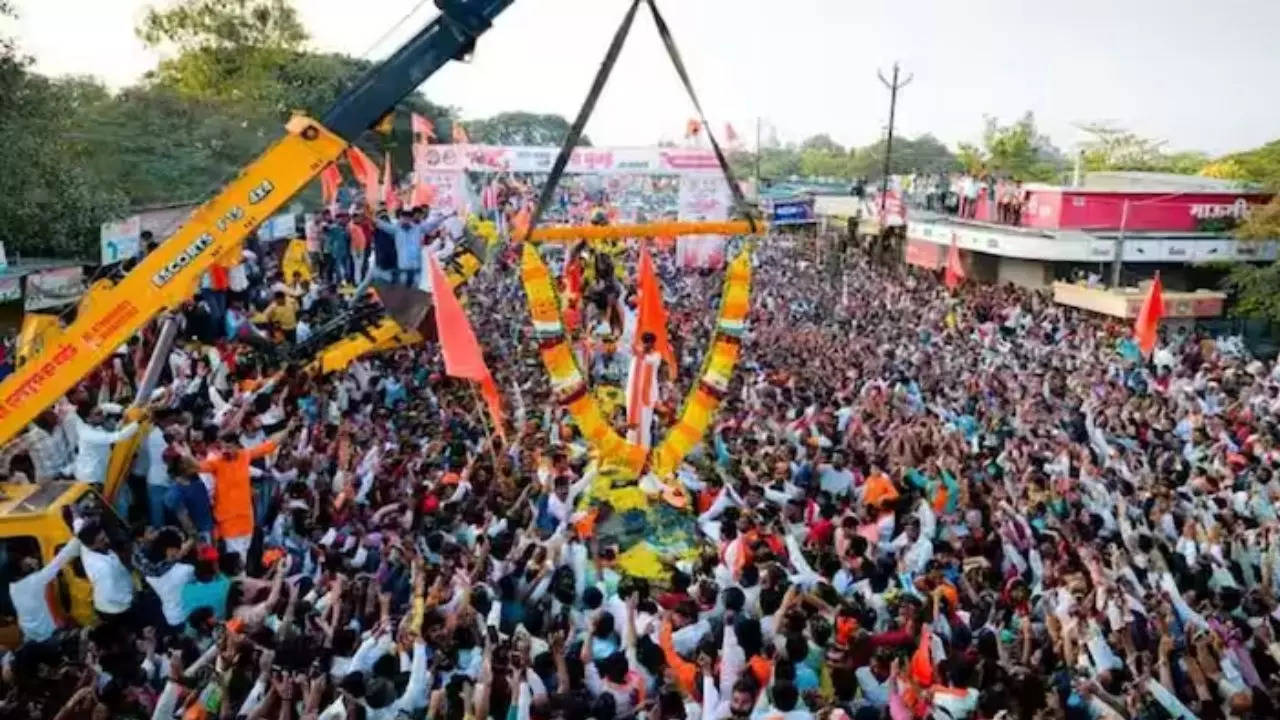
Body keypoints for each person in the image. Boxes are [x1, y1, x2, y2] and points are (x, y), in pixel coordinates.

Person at [8, 538, 81, 643]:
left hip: (30, 634)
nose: (28, 560)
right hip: (49, 632)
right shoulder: (36, 581)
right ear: (20, 568)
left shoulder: (13, 587)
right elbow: (60, 559)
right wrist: (78, 538)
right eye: (24, 562)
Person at [625, 331, 662, 449]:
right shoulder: (636, 357)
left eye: (649, 343)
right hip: (633, 397)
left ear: (653, 344)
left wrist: (640, 352)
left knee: (644, 428)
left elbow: (649, 360)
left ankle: (643, 454)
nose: (647, 345)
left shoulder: (656, 356)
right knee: (632, 427)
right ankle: (631, 451)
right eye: (645, 342)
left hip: (647, 398)